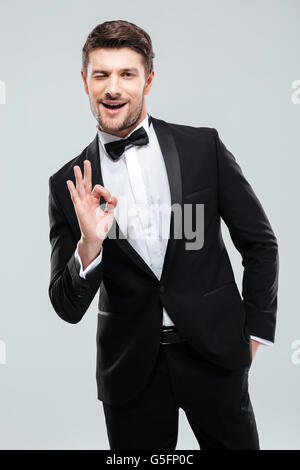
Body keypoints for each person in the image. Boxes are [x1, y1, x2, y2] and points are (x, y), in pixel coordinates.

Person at [48, 20, 279, 450]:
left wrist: (254, 335)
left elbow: (261, 243)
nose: (112, 88)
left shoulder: (201, 148)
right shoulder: (68, 184)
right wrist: (90, 244)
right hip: (130, 370)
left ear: (148, 80)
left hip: (214, 354)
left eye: (127, 74)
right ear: (85, 82)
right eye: (101, 75)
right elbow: (65, 305)